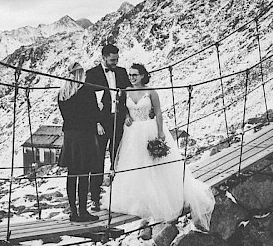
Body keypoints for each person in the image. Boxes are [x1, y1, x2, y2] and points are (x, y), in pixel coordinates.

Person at [109, 63, 214, 230]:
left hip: (149, 129)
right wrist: (127, 116)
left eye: (135, 74)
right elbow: (122, 108)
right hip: (133, 132)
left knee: (154, 165)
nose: (132, 77)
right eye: (130, 75)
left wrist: (160, 133)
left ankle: (158, 198)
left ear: (143, 76)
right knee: (135, 165)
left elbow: (158, 112)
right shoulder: (126, 91)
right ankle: (137, 198)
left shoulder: (151, 92)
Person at [85, 43, 131, 207]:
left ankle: (117, 196)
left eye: (117, 59)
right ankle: (95, 198)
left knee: (118, 158)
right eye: (112, 59)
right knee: (97, 160)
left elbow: (128, 93)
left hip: (118, 120)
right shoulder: (92, 74)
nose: (115, 62)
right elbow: (88, 101)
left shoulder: (122, 72)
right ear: (103, 58)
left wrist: (127, 113)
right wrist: (96, 122)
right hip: (101, 123)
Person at [57, 62, 101, 221]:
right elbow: (94, 113)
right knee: (84, 174)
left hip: (70, 137)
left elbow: (67, 116)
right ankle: (83, 211)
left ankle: (73, 211)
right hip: (85, 136)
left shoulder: (62, 94)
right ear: (81, 74)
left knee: (72, 173)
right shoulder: (87, 90)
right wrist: (100, 106)